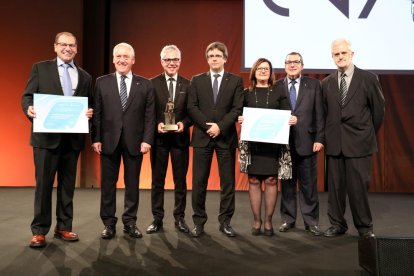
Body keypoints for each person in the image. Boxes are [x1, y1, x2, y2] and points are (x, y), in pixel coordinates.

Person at [21, 32, 93, 248]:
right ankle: (39, 230)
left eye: (71, 45)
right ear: (55, 47)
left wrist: (89, 112)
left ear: (76, 48)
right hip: (45, 138)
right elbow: (27, 96)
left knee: (67, 185)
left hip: (72, 140)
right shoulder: (40, 68)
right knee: (43, 185)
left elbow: (89, 104)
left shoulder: (86, 77)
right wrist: (29, 109)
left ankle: (64, 226)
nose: (67, 48)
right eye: (63, 44)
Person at [322, 38, 384, 238]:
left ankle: (365, 228)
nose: (340, 57)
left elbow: (378, 112)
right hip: (334, 144)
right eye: (336, 54)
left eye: (343, 53)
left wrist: (365, 134)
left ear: (352, 54)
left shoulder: (368, 78)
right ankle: (338, 224)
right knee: (335, 188)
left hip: (359, 144)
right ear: (332, 57)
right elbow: (325, 114)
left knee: (358, 189)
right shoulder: (326, 83)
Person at [91, 42, 155, 239]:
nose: (122, 60)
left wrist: (147, 140)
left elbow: (149, 115)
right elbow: (97, 114)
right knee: (108, 185)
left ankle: (130, 222)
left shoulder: (145, 84)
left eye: (126, 57)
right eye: (118, 56)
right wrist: (96, 138)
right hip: (108, 141)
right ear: (113, 59)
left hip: (135, 142)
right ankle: (109, 223)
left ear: (133, 60)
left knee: (132, 184)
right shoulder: (102, 82)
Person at [187, 41, 244, 237]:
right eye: (211, 56)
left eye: (218, 56)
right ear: (207, 59)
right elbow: (192, 107)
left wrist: (220, 126)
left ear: (225, 58)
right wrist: (208, 126)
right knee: (199, 182)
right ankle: (199, 222)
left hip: (225, 137)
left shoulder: (235, 81)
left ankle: (225, 222)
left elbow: (237, 108)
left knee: (227, 183)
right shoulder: (197, 80)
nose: (214, 59)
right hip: (202, 137)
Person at [238, 58, 294, 236]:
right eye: (260, 69)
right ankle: (257, 220)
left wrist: (292, 119)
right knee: (253, 180)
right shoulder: (246, 93)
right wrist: (240, 119)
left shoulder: (279, 92)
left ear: (271, 73)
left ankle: (268, 221)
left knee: (271, 180)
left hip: (273, 144)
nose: (263, 71)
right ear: (254, 72)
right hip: (253, 145)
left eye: (266, 69)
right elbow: (238, 113)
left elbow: (288, 115)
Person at [276, 52, 324, 236]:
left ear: (302, 65)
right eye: (289, 62)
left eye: (296, 62)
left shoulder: (314, 85)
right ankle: (288, 219)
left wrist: (320, 138)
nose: (292, 65)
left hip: (308, 142)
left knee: (308, 185)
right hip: (284, 143)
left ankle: (311, 222)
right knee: (287, 184)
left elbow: (320, 113)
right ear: (285, 65)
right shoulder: (277, 86)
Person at [146, 45, 192, 234]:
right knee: (158, 181)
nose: (171, 63)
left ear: (180, 61)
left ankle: (179, 218)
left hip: (180, 140)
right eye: (167, 60)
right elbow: (148, 111)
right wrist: (156, 123)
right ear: (161, 62)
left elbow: (192, 112)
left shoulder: (189, 84)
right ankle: (157, 219)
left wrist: (184, 124)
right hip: (159, 140)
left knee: (180, 181)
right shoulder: (151, 83)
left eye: (175, 59)